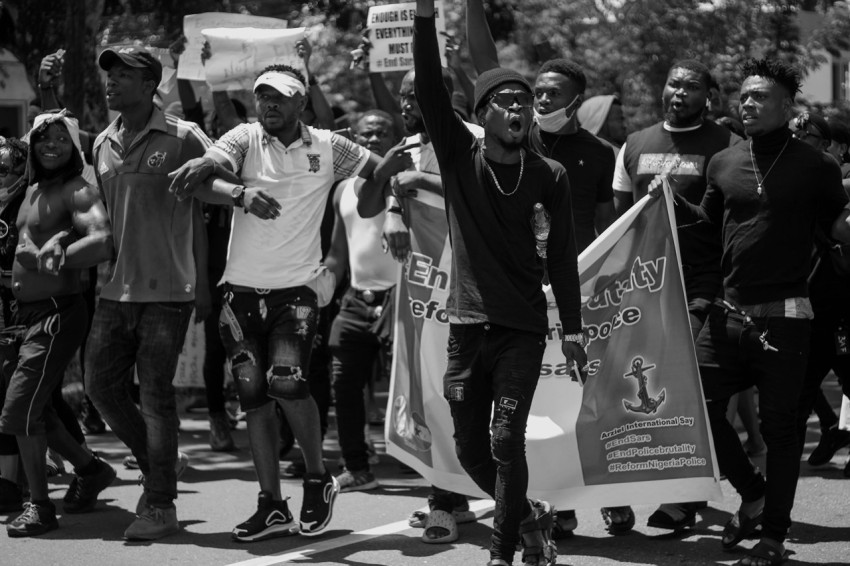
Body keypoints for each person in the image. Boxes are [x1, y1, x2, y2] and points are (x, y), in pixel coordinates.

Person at [167, 63, 384, 542]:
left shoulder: (330, 145)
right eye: (262, 95)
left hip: (297, 291)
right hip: (238, 293)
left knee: (286, 384)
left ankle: (316, 476)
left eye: (279, 96)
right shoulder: (244, 136)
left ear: (300, 103)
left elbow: (378, 170)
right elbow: (209, 179)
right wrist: (240, 193)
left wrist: (403, 182)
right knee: (254, 400)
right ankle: (271, 504)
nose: (268, 103)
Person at [402, 2, 586, 564]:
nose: (518, 108)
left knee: (507, 442)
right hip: (466, 331)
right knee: (472, 453)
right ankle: (531, 523)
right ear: (482, 115)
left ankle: (503, 554)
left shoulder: (548, 175)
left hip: (522, 331)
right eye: (504, 101)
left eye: (524, 102)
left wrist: (573, 332)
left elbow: (561, 259)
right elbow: (432, 85)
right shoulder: (460, 156)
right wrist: (425, 16)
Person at [664, 58, 850, 566]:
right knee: (697, 407)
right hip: (727, 313)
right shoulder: (723, 162)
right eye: (743, 96)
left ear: (787, 107)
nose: (747, 104)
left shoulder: (817, 167)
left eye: (760, 97)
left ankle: (772, 536)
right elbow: (707, 228)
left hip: (786, 317)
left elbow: (837, 228)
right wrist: (668, 207)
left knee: (780, 429)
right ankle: (753, 491)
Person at [85, 46, 212, 541]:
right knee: (99, 387)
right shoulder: (101, 143)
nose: (112, 82)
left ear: (150, 85)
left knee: (156, 398)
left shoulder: (183, 136)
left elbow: (211, 196)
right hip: (115, 292)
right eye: (109, 75)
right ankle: (162, 460)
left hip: (168, 292)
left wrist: (202, 282)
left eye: (123, 75)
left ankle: (161, 505)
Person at [613, 59, 740, 533]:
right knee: (645, 392)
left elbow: (732, 222)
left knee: (686, 388)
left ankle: (686, 496)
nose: (679, 93)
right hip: (644, 290)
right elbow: (618, 224)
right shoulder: (634, 145)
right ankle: (662, 484)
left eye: (691, 87)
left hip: (701, 288)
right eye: (673, 83)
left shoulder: (728, 147)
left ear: (708, 96)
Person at [0, 111, 115, 537]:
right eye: (43, 138)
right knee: (37, 409)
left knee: (18, 411)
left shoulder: (77, 189)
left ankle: (39, 505)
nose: (51, 145)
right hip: (24, 315)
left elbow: (102, 240)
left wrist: (61, 253)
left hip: (56, 312)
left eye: (60, 140)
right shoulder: (32, 188)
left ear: (73, 146)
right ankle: (90, 469)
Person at [324, 110, 399, 495]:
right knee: (343, 382)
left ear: (394, 137)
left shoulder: (406, 183)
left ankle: (434, 472)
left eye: (380, 134)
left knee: (409, 385)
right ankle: (357, 467)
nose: (372, 142)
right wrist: (321, 283)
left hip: (401, 298)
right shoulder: (342, 189)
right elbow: (338, 252)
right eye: (365, 136)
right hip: (355, 299)